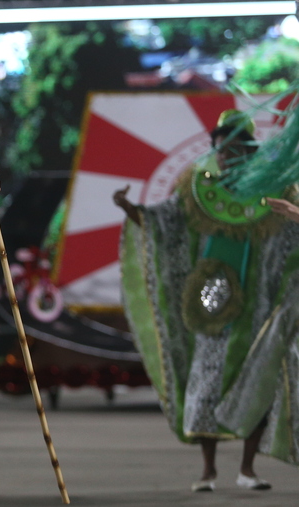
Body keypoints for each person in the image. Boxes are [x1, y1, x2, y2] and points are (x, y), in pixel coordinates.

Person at [115, 109, 299, 492]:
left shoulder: (275, 193)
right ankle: (208, 471)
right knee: (205, 385)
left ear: (249, 151)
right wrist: (130, 210)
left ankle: (247, 470)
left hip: (258, 308)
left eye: (237, 148)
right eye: (224, 148)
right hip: (210, 305)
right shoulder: (198, 190)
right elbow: (165, 224)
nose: (230, 155)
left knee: (256, 385)